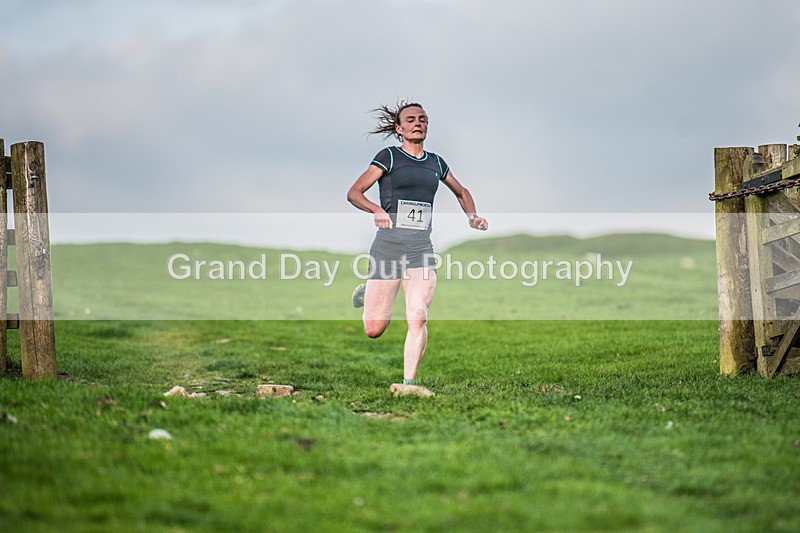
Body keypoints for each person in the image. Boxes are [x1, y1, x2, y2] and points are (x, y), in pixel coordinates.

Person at [346, 101, 488, 389]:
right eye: (410, 119)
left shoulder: (436, 163)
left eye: (422, 119)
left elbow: (462, 191)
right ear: (399, 128)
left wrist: (472, 216)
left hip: (420, 249)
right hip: (388, 247)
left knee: (419, 315)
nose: (417, 122)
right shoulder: (388, 157)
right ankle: (367, 290)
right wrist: (376, 210)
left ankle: (408, 384)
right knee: (374, 329)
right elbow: (354, 192)